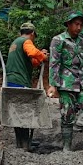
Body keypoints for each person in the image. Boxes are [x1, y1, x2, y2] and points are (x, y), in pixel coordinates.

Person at [47, 12, 83, 158]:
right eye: (76, 24)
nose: (79, 28)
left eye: (81, 25)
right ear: (68, 24)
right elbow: (54, 64)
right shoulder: (58, 40)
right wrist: (53, 85)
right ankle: (67, 148)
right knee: (67, 115)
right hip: (66, 83)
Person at [6, 22, 48, 151]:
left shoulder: (15, 43)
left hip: (11, 81)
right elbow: (31, 52)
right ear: (32, 33)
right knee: (23, 112)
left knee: (17, 112)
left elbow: (30, 62)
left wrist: (40, 57)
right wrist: (43, 56)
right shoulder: (26, 41)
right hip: (20, 81)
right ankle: (25, 144)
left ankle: (21, 142)